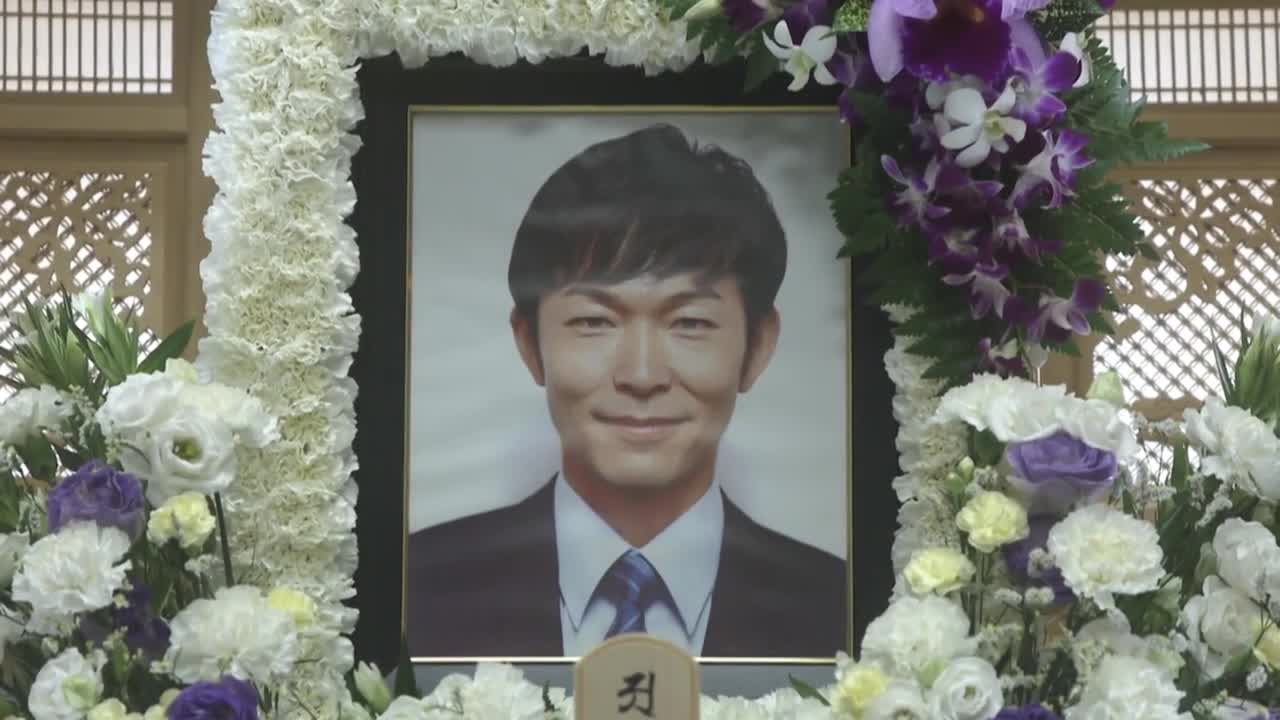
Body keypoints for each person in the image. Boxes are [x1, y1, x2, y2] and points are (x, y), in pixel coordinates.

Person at [406, 123, 846, 658]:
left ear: (757, 347)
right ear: (529, 343)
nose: (641, 375)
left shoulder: (843, 611)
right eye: (594, 321)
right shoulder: (414, 590)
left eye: (690, 323)